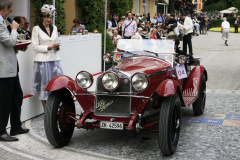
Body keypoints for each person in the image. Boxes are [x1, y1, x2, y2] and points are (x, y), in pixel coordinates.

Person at [0, 0, 29, 142]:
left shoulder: (3, 22)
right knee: (4, 100)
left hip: (11, 66)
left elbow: (8, 44)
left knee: (17, 95)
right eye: (11, 10)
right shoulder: (0, 23)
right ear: (6, 8)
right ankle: (1, 131)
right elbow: (9, 41)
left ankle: (16, 126)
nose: (11, 12)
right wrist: (14, 29)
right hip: (4, 68)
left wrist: (19, 46)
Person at [31, 4, 63, 110]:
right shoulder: (36, 29)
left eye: (51, 17)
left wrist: (56, 47)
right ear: (42, 17)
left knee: (56, 87)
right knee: (44, 88)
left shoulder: (55, 28)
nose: (49, 19)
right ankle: (47, 112)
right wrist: (49, 47)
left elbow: (55, 43)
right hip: (42, 62)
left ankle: (55, 110)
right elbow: (34, 47)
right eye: (47, 17)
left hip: (54, 60)